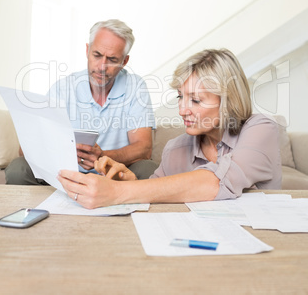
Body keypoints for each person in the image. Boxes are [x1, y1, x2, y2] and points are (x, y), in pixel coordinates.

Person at [58, 48, 282, 209]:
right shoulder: (176, 147)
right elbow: (155, 191)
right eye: (180, 97)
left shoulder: (261, 130)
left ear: (228, 100)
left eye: (195, 100)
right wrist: (131, 183)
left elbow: (216, 181)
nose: (182, 110)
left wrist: (117, 193)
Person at [6, 19, 157, 184]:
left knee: (148, 169)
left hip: (113, 174)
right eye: (97, 55)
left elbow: (144, 148)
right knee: (18, 168)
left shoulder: (135, 87)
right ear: (87, 50)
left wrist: (104, 156)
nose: (101, 67)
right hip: (64, 174)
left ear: (124, 62)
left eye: (112, 59)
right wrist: (64, 152)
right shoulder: (63, 88)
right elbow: (26, 148)